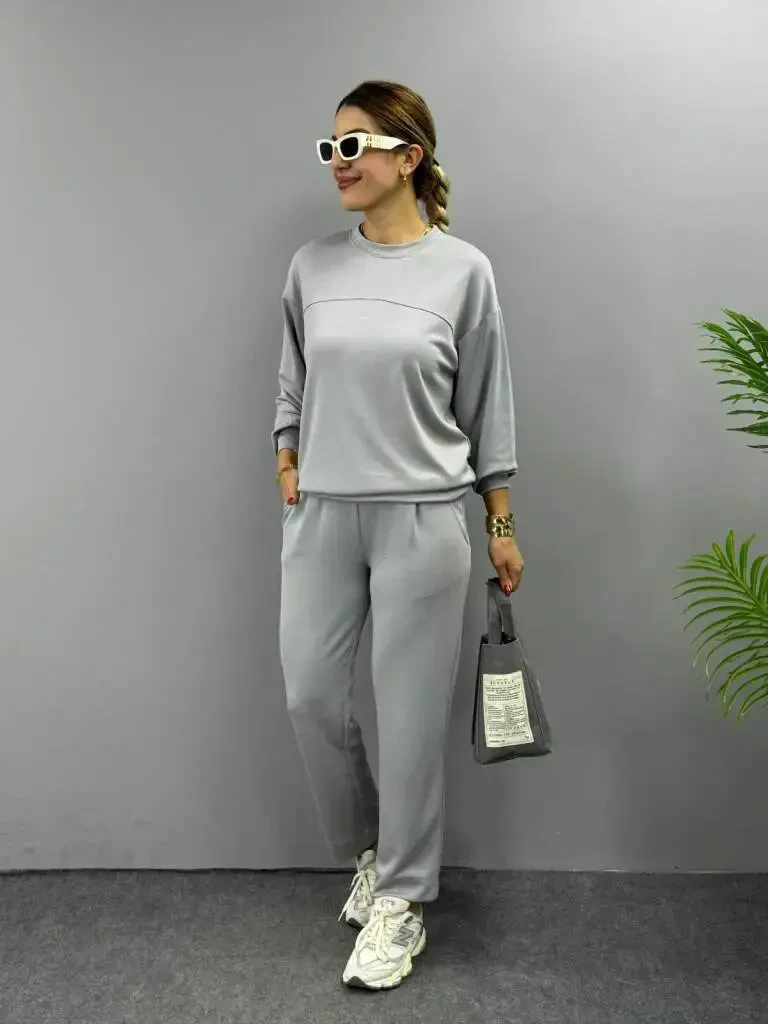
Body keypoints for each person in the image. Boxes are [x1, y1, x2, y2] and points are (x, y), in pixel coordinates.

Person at [271, 80, 524, 991]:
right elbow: (294, 378)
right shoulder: (311, 266)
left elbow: (487, 407)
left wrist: (500, 523)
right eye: (330, 148)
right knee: (310, 693)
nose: (338, 163)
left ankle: (404, 901)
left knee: (412, 720)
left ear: (408, 157)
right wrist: (287, 456)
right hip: (324, 515)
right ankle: (373, 854)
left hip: (424, 519)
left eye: (355, 146)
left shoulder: (464, 272)